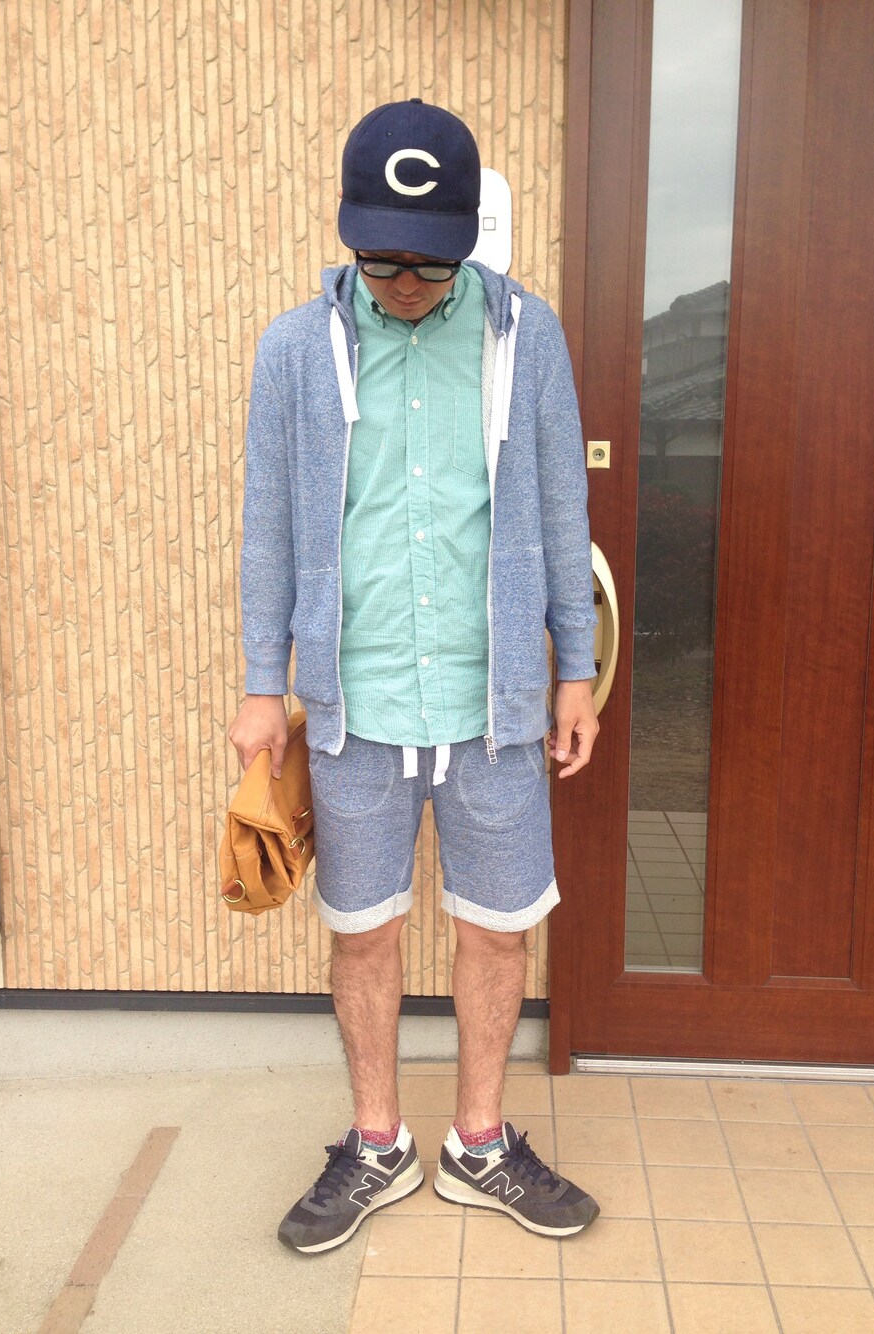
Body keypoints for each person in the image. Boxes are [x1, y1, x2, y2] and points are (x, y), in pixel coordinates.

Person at [228, 99, 600, 1255]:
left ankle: (478, 1142)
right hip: (357, 709)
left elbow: (560, 507)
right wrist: (262, 682)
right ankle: (377, 1141)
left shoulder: (523, 337)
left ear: (464, 239)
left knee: (497, 930)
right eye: (379, 257)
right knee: (363, 933)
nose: (401, 282)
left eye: (428, 262)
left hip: (495, 705)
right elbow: (269, 524)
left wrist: (574, 669)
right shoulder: (296, 350)